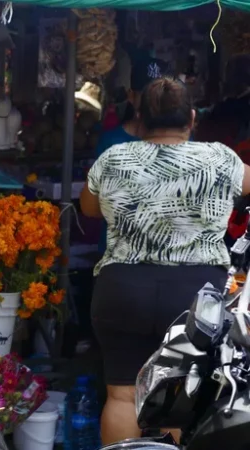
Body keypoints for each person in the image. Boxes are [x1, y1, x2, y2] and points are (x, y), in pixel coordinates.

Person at [81, 77, 250, 445]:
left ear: (140, 119)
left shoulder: (114, 158)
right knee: (179, 395)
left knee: (122, 396)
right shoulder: (220, 158)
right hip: (193, 296)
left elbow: (89, 208)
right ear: (192, 117)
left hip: (123, 290)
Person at [92, 57, 165, 256]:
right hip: (119, 256)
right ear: (131, 96)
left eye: (160, 95)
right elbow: (94, 204)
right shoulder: (112, 142)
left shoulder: (183, 141)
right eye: (147, 95)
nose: (154, 103)